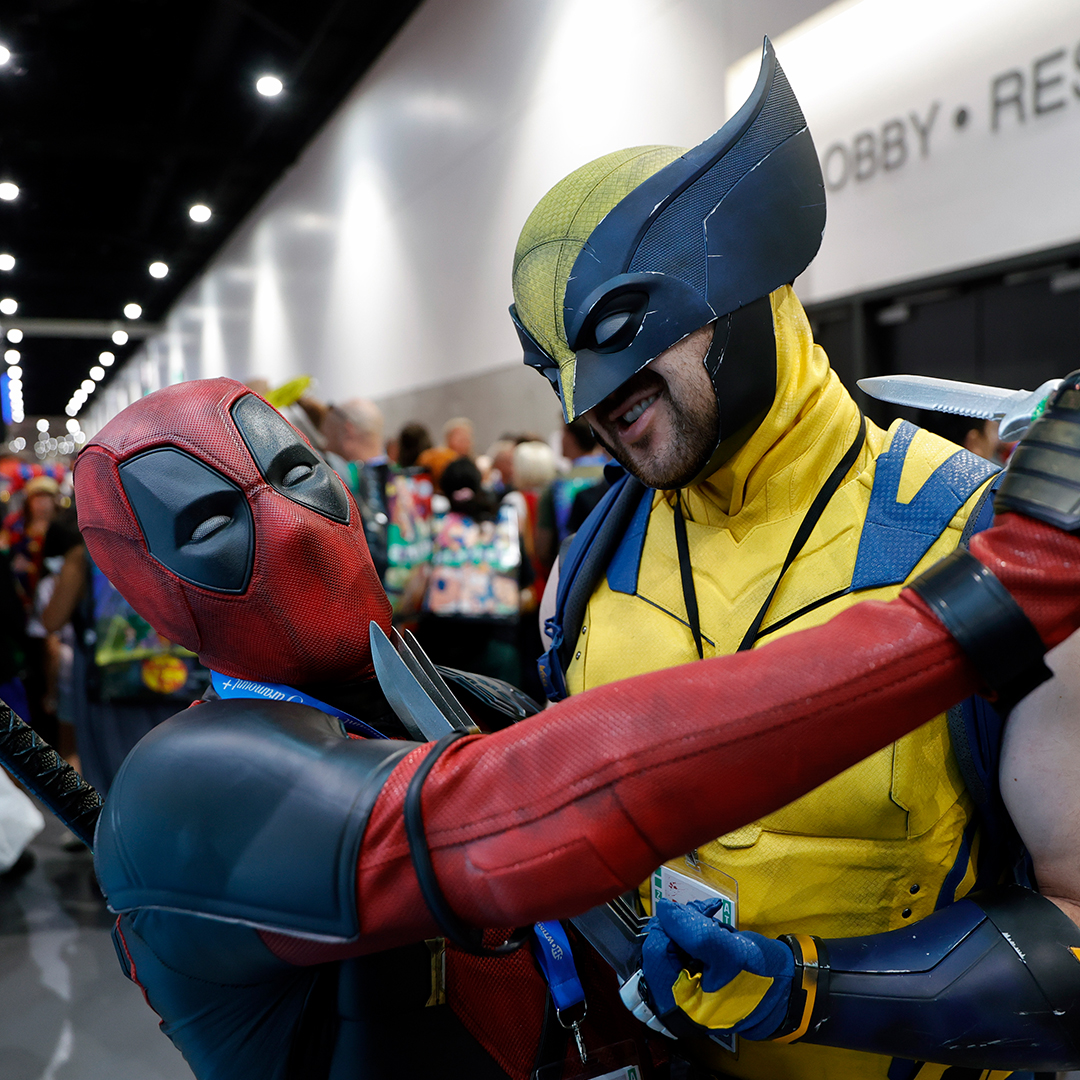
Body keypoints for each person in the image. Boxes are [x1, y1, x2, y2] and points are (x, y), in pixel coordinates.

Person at [68, 374, 1080, 1080]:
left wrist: (798, 987)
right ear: (140, 582)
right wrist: (995, 598)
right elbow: (543, 804)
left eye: (292, 473)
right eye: (208, 521)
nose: (285, 525)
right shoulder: (185, 797)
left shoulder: (450, 697)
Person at [512, 40, 1080, 1078]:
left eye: (619, 330)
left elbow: (1077, 924)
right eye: (553, 365)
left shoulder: (986, 548)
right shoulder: (584, 575)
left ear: (741, 274)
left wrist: (813, 991)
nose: (584, 401)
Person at [415, 457, 531, 687]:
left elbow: (414, 592)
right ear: (480, 485)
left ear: (443, 491)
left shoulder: (431, 531)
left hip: (438, 648)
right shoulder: (502, 531)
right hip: (495, 646)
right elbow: (527, 592)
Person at [323, 399, 392, 582]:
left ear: (348, 430)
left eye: (328, 431)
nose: (325, 440)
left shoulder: (346, 483)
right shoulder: (402, 479)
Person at [536, 419, 609, 568]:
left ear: (570, 437)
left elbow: (542, 548)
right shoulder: (616, 475)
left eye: (563, 432)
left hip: (572, 568)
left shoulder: (556, 486)